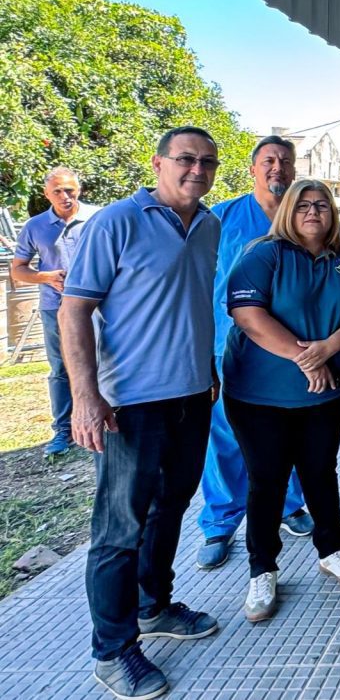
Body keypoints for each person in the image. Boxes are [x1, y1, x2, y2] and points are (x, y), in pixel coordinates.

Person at [61, 127, 223, 700]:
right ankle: (112, 650)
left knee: (170, 506)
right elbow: (75, 310)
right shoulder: (117, 222)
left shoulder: (209, 225)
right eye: (186, 159)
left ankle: (153, 605)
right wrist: (85, 396)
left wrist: (207, 366)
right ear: (158, 164)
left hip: (192, 395)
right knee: (118, 528)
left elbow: (189, 302)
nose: (197, 169)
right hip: (130, 403)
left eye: (207, 161)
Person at [223, 179, 340, 623]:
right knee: (267, 480)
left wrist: (328, 348)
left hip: (327, 390)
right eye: (304, 205)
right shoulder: (263, 254)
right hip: (260, 394)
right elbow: (248, 315)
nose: (313, 212)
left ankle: (331, 550)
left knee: (320, 472)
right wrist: (307, 359)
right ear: (288, 210)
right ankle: (262, 569)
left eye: (322, 205)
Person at [196, 135, 313, 571]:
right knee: (225, 432)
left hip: (289, 345)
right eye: (268, 161)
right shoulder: (220, 217)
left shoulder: (304, 219)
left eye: (285, 161)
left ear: (294, 170)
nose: (277, 167)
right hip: (230, 345)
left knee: (289, 429)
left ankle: (289, 505)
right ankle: (220, 521)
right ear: (252, 169)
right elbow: (198, 280)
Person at [12, 167, 92, 457]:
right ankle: (63, 430)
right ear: (47, 194)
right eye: (57, 191)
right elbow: (18, 270)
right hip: (55, 307)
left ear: (79, 189)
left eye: (69, 190)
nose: (65, 196)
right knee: (61, 368)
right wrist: (46, 277)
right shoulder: (35, 226)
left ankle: (107, 422)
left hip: (98, 306)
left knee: (105, 361)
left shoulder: (98, 218)